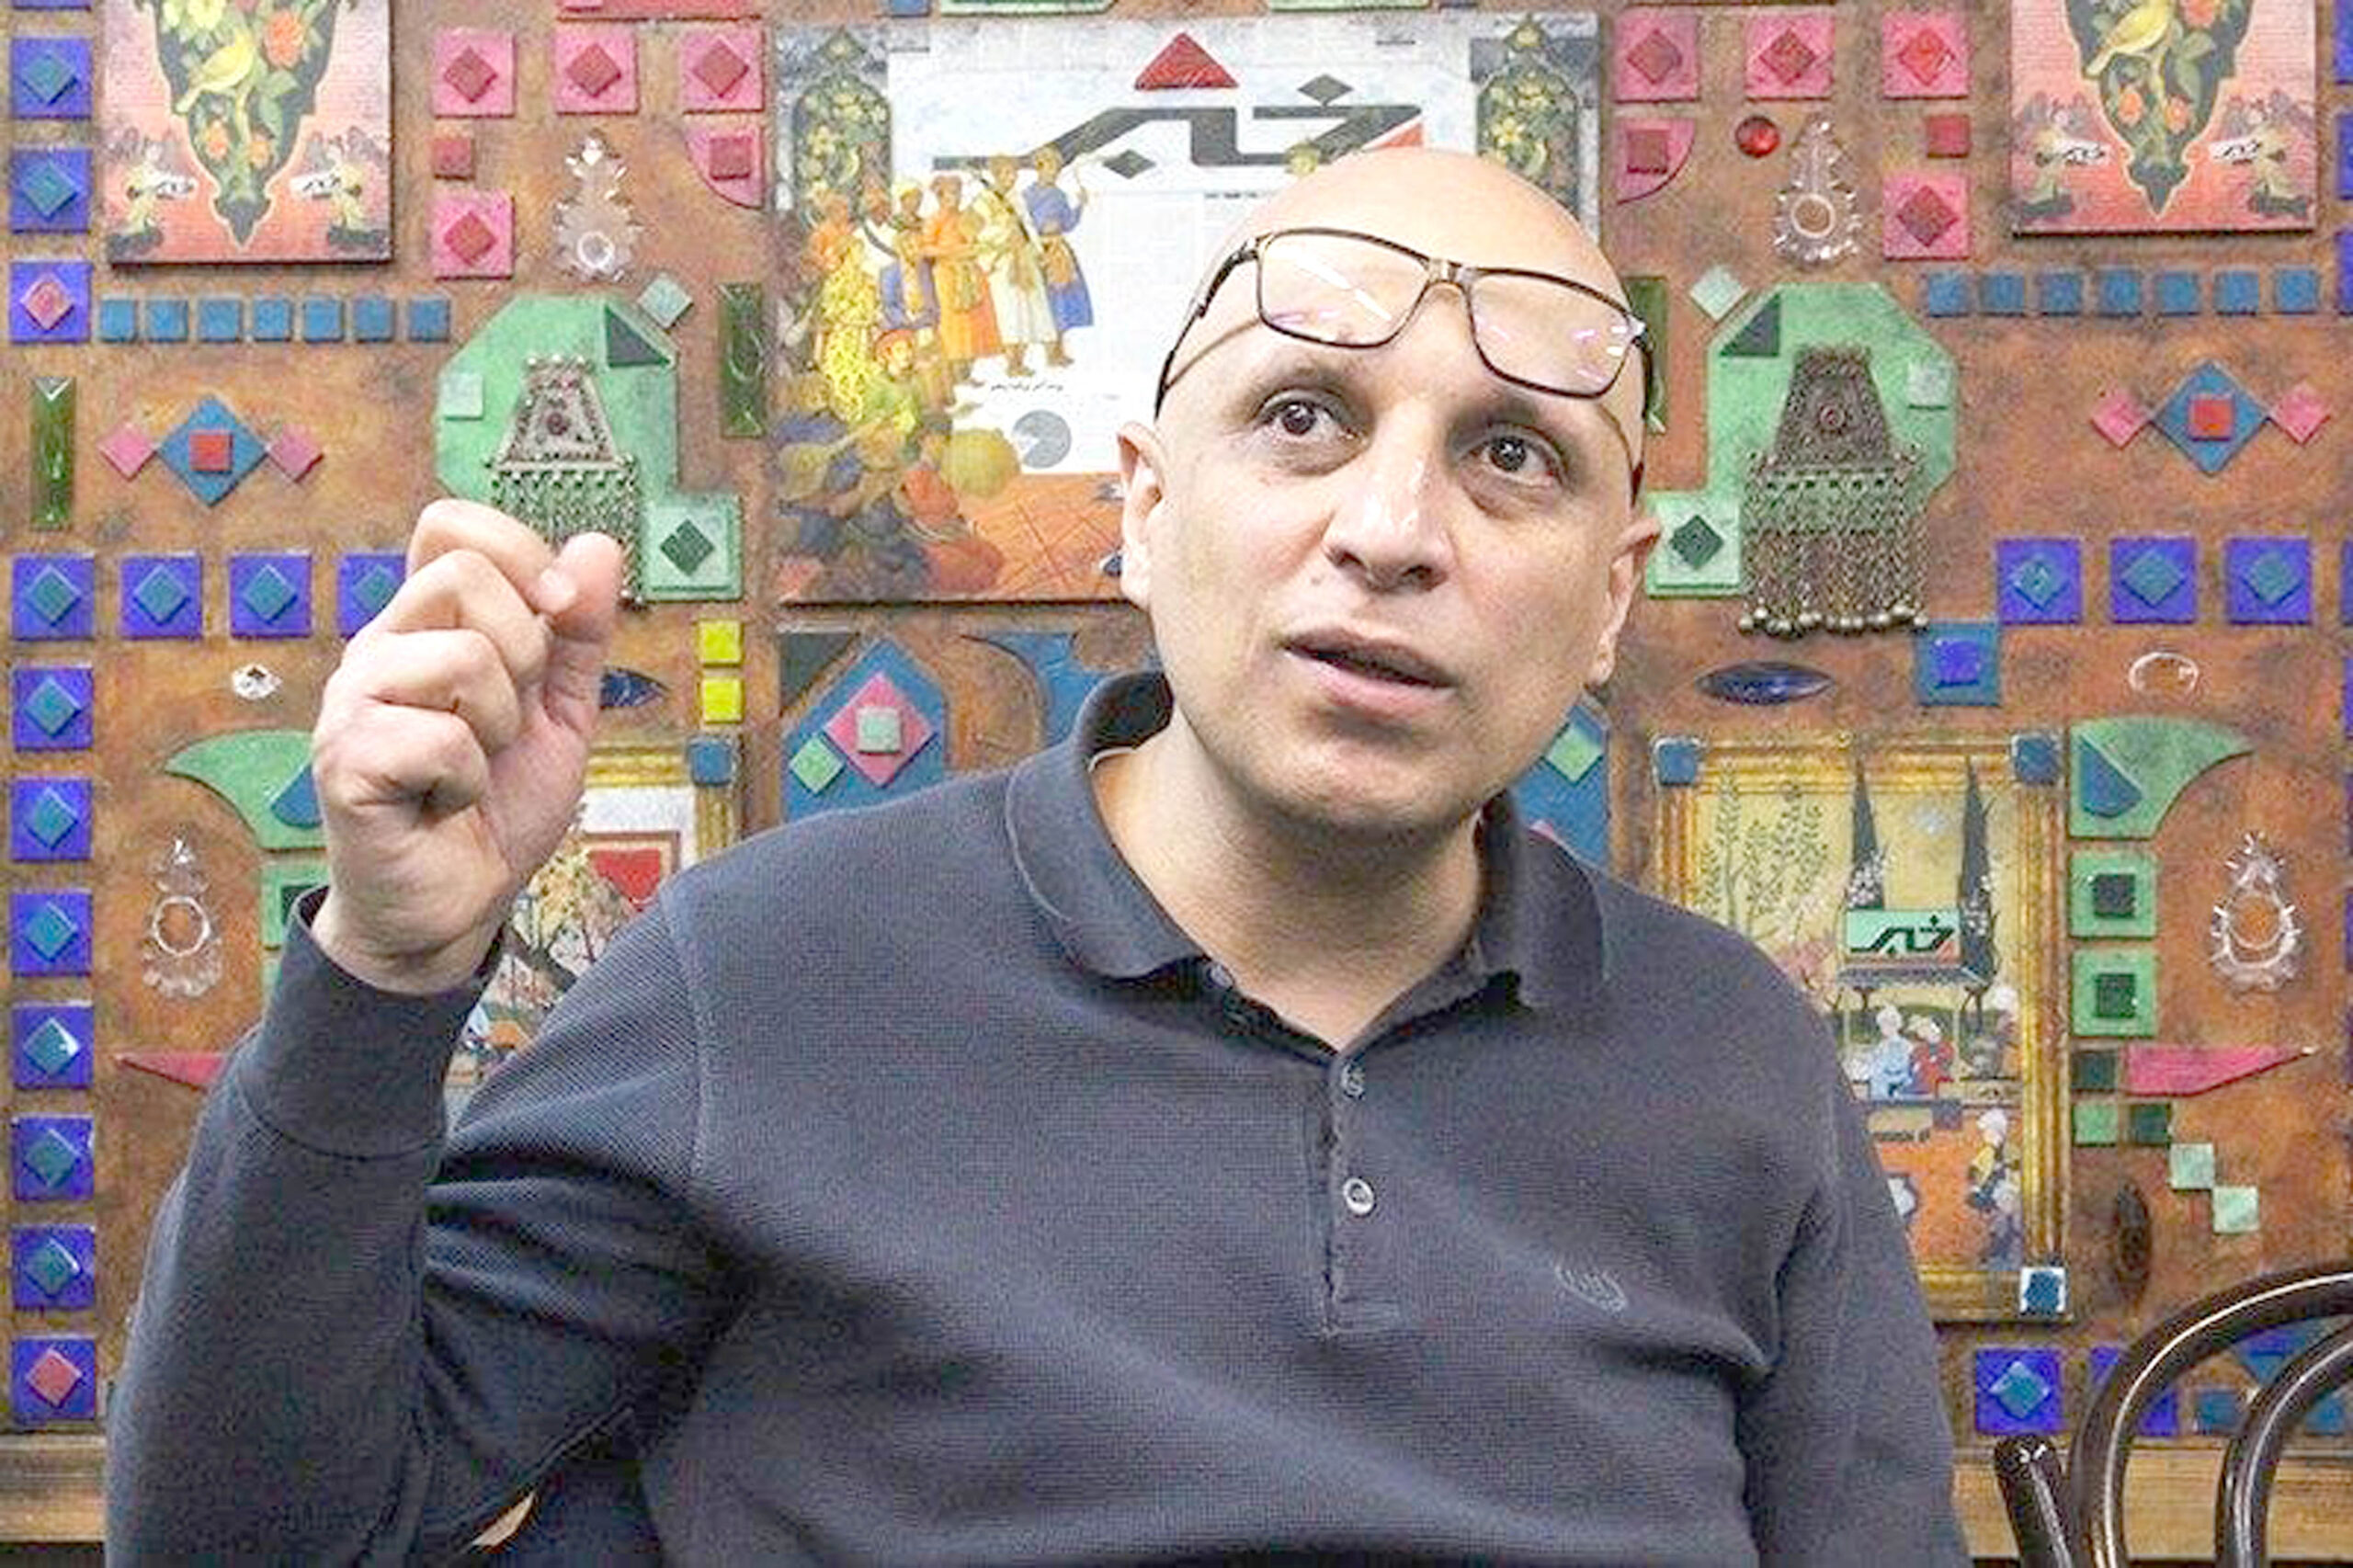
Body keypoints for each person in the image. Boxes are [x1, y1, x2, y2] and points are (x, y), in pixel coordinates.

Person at [108, 146, 1966, 1564]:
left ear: (1609, 600)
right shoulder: (767, 974)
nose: (1393, 529)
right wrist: (385, 971)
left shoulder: (1734, 1058)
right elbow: (250, 1536)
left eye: (1513, 458)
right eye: (1301, 420)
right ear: (1142, 512)